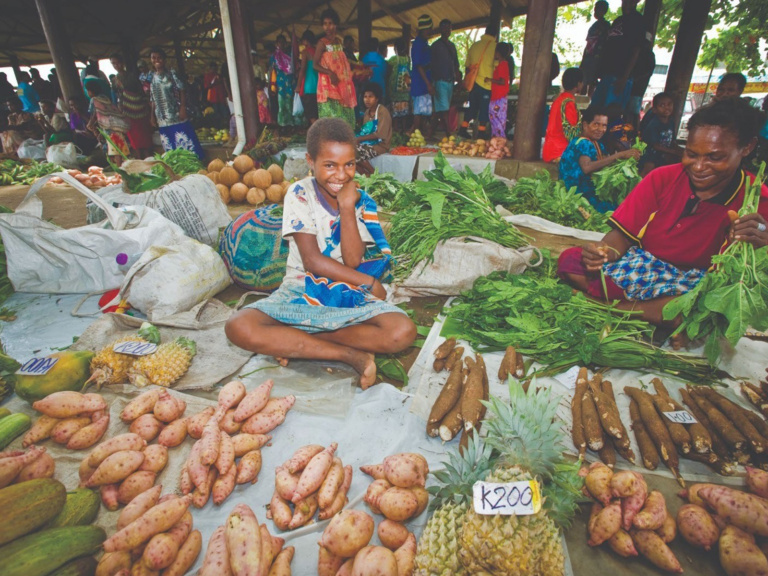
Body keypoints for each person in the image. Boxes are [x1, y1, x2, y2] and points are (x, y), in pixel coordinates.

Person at [225, 118, 417, 390]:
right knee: (238, 326)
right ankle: (348, 354)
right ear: (310, 161)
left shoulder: (357, 199)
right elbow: (312, 262)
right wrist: (369, 282)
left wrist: (347, 207)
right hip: (302, 287)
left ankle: (296, 338)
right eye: (330, 165)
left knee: (402, 331)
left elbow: (353, 261)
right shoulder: (300, 193)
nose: (341, 175)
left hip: (346, 289)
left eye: (349, 164)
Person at [557, 98, 768, 333]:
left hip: (692, 283)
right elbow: (621, 237)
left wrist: (762, 243)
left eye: (714, 157)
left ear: (747, 147)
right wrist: (603, 252)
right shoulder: (663, 178)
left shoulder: (756, 200)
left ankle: (602, 305)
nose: (699, 167)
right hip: (645, 266)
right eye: (691, 154)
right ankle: (639, 311)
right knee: (570, 260)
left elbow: (740, 278)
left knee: (689, 307)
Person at [559, 106, 641, 212]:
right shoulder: (583, 143)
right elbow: (587, 168)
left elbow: (605, 162)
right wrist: (620, 155)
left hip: (588, 192)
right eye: (596, 124)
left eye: (604, 125)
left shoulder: (597, 143)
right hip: (578, 196)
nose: (601, 129)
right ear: (585, 125)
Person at [147, 47, 203, 158]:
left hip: (176, 115)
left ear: (164, 60)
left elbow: (182, 89)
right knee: (170, 146)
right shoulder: (152, 77)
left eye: (159, 58)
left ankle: (193, 162)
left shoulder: (171, 74)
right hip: (162, 119)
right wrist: (152, 116)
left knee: (185, 142)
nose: (156, 60)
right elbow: (153, 98)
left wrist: (182, 108)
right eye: (153, 58)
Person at [591, 0, 644, 113]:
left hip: (620, 77)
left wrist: (625, 78)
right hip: (607, 75)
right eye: (625, 2)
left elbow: (636, 50)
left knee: (610, 113)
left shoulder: (638, 21)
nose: (627, 5)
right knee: (595, 110)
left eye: (630, 2)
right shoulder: (618, 20)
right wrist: (598, 73)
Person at [314, 8, 357, 129]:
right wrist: (330, 73)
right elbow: (315, 65)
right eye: (325, 24)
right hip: (328, 86)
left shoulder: (338, 42)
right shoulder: (322, 43)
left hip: (341, 84)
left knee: (343, 115)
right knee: (331, 116)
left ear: (336, 24)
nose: (327, 27)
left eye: (330, 23)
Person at [110, 54, 154, 159]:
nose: (116, 65)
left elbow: (141, 92)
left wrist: (146, 105)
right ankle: (139, 157)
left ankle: (148, 156)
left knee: (143, 134)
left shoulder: (132, 76)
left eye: (118, 63)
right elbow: (117, 96)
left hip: (140, 109)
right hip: (126, 111)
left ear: (122, 63)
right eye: (113, 64)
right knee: (133, 136)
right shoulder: (115, 80)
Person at [460, 21, 498, 140]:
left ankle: (463, 129)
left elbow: (467, 65)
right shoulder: (495, 47)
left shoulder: (475, 45)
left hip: (473, 83)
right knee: (484, 109)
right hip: (486, 84)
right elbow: (497, 66)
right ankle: (481, 133)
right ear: (495, 34)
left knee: (472, 107)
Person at [85, 79, 131, 165]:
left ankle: (118, 166)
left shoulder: (94, 100)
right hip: (115, 124)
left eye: (88, 90)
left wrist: (90, 124)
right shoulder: (105, 97)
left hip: (107, 126)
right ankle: (123, 164)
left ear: (91, 91)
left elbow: (94, 113)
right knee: (119, 144)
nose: (87, 93)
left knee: (113, 147)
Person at [543, 67, 584, 163]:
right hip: (560, 151)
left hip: (550, 150)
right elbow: (571, 132)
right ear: (578, 84)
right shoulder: (569, 103)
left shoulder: (558, 100)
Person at [430, 19, 461, 137]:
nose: (448, 30)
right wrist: (431, 84)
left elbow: (456, 65)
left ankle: (430, 132)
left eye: (449, 28)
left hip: (450, 81)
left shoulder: (452, 46)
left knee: (440, 109)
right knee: (444, 109)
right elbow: (430, 65)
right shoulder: (435, 46)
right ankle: (449, 133)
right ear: (440, 29)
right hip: (439, 81)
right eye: (445, 27)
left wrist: (459, 81)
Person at [639, 92, 683, 175]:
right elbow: (655, 146)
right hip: (650, 154)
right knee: (649, 167)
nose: (667, 108)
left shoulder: (671, 122)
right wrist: (673, 152)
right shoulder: (654, 124)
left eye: (669, 104)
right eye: (662, 105)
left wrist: (679, 150)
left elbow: (672, 140)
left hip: (664, 153)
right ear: (654, 110)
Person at [356, 82, 392, 175]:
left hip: (380, 146)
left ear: (377, 99)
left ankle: (374, 173)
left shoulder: (382, 111)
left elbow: (380, 134)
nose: (367, 100)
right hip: (369, 144)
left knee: (354, 152)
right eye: (365, 97)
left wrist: (359, 139)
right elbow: (365, 132)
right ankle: (366, 176)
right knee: (347, 153)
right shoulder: (367, 112)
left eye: (370, 97)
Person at [579, 0, 610, 96]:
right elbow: (588, 44)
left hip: (597, 59)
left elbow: (606, 45)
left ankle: (589, 101)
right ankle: (582, 100)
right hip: (588, 57)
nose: (595, 12)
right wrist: (583, 59)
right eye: (595, 9)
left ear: (603, 11)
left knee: (592, 83)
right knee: (583, 82)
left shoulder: (606, 26)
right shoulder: (594, 26)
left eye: (597, 9)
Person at [410, 14, 434, 138]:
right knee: (418, 111)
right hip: (420, 82)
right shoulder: (418, 43)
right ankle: (415, 134)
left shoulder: (424, 43)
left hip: (425, 81)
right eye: (429, 29)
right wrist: (428, 84)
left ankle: (421, 135)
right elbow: (418, 65)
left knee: (425, 111)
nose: (430, 32)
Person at [269, 35, 300, 128]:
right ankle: (283, 126)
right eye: (279, 42)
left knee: (292, 103)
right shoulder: (274, 57)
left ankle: (293, 125)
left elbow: (296, 68)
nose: (281, 44)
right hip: (280, 84)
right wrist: (271, 86)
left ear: (286, 44)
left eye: (283, 42)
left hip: (291, 83)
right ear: (276, 44)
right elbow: (272, 71)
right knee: (282, 105)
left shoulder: (290, 55)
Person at [489, 43, 513, 139]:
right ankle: (497, 140)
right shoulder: (502, 65)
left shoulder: (503, 65)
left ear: (498, 53)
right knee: (496, 120)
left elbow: (502, 81)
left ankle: (499, 140)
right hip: (497, 97)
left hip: (499, 98)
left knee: (497, 121)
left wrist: (490, 80)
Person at [387, 38, 411, 133]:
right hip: (405, 90)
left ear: (395, 48)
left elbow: (388, 72)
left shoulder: (393, 60)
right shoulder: (408, 59)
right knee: (404, 112)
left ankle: (396, 129)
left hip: (395, 91)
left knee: (395, 113)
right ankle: (404, 129)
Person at [297, 30, 319, 125]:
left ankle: (316, 132)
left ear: (306, 40)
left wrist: (298, 86)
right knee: (318, 113)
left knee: (311, 115)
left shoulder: (305, 52)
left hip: (309, 86)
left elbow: (302, 70)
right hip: (319, 86)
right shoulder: (318, 50)